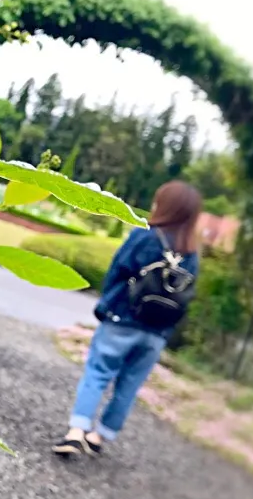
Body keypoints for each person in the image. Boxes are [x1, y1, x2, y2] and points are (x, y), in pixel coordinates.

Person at [53, 180, 202, 456]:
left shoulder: (145, 236)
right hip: (156, 333)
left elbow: (116, 272)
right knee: (129, 385)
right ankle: (100, 436)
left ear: (164, 206)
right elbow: (187, 294)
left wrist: (107, 306)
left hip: (123, 320)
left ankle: (77, 432)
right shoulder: (192, 253)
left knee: (97, 373)